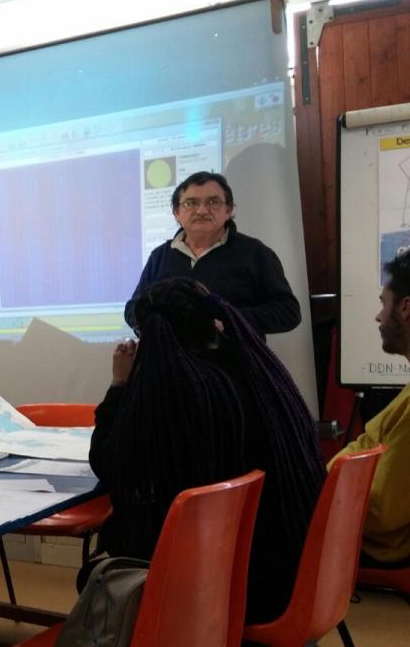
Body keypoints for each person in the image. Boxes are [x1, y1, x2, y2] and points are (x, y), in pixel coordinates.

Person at [90, 277, 324, 623]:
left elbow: (107, 463)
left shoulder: (175, 396)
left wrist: (118, 385)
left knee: (103, 559)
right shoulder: (255, 376)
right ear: (214, 323)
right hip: (287, 574)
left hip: (222, 589)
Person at [124, 171, 301, 336]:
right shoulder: (160, 256)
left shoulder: (255, 253)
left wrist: (229, 319)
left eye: (213, 202)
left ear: (228, 210)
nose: (202, 210)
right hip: (168, 358)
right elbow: (133, 307)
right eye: (191, 203)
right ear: (177, 213)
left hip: (233, 359)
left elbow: (288, 312)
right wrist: (153, 325)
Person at [331, 250, 410, 567]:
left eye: (383, 303)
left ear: (405, 307)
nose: (379, 317)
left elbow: (382, 511)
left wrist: (320, 493)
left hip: (380, 545)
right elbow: (367, 442)